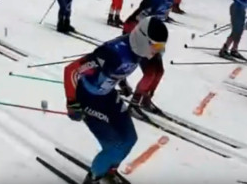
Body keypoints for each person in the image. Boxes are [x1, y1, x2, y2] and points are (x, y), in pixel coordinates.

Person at [63, 17, 168, 184]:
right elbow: (71, 71)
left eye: (161, 47)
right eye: (156, 46)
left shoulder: (139, 52)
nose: (158, 51)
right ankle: (93, 178)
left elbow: (116, 71)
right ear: (142, 39)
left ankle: (110, 170)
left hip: (107, 95)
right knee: (114, 145)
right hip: (88, 98)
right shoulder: (111, 53)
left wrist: (123, 83)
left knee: (129, 139)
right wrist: (72, 103)